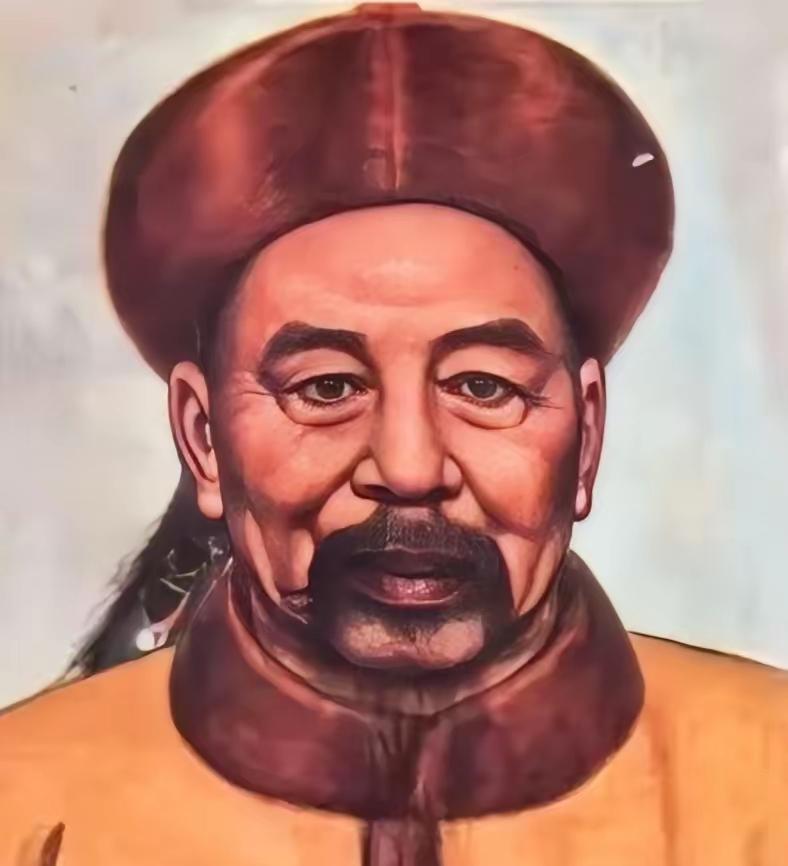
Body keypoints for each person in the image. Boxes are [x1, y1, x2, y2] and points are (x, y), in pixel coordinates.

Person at [1, 5, 786, 866]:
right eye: (327, 388)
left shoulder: (765, 780)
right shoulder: (29, 803)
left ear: (588, 436)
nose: (409, 468)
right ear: (203, 440)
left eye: (483, 387)